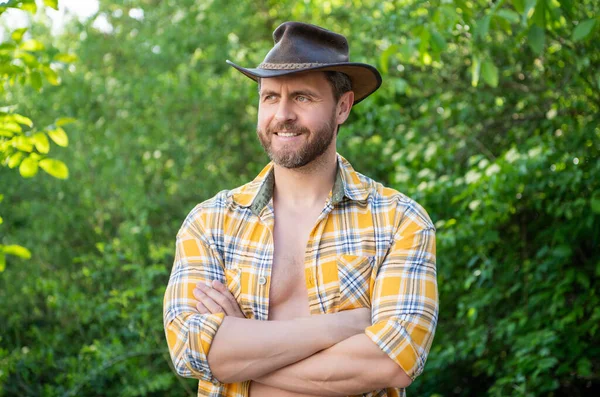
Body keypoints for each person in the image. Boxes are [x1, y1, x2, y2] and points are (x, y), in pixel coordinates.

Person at [163, 21, 438, 397]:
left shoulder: (399, 221)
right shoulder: (209, 223)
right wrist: (342, 327)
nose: (283, 114)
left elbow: (393, 360)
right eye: (270, 97)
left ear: (342, 107)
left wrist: (239, 350)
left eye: (303, 98)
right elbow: (190, 350)